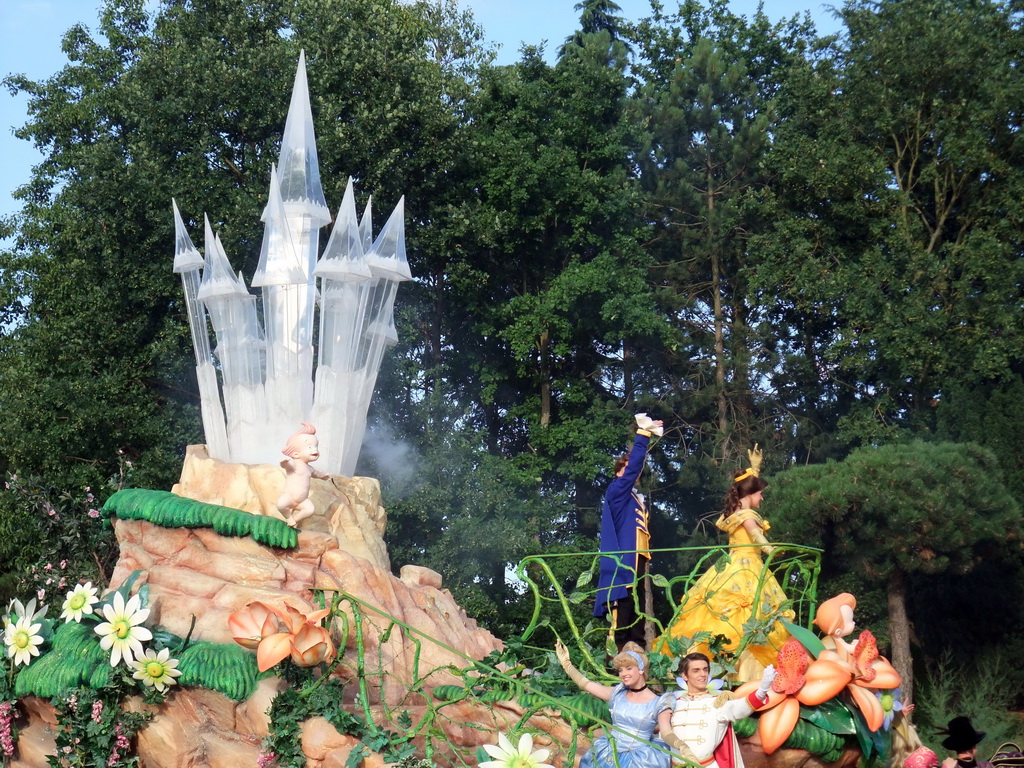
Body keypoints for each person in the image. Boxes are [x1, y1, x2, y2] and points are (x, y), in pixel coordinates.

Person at [659, 446, 793, 680]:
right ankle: (746, 675)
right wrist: (771, 549)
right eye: (760, 493)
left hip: (733, 567)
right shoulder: (748, 515)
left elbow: (748, 497)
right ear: (750, 494)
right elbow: (755, 535)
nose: (762, 497)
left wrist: (756, 469)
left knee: (738, 617)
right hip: (747, 569)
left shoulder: (736, 511)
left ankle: (725, 670)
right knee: (747, 617)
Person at [594, 414, 663, 649]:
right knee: (622, 611)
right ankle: (617, 662)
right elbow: (634, 466)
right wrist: (643, 435)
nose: (634, 474)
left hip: (639, 559)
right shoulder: (617, 491)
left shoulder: (634, 497)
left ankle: (638, 655)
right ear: (618, 473)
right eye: (627, 469)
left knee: (638, 610)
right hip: (623, 562)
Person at [556, 639, 671, 768]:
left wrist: (682, 747)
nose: (624, 674)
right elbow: (585, 684)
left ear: (641, 669)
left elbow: (667, 733)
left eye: (628, 668)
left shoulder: (659, 702)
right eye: (621, 670)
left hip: (640, 760)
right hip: (609, 752)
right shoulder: (617, 694)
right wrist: (567, 664)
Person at [657, 652, 775, 768]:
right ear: (684, 675)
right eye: (696, 670)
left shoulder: (717, 703)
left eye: (705, 669)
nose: (703, 674)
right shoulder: (675, 703)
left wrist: (762, 691)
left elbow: (741, 707)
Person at [276, 422, 329, 527]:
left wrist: (323, 476)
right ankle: (288, 517)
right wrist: (284, 463)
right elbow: (287, 467)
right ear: (296, 454)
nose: (315, 449)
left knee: (310, 509)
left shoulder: (309, 468)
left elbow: (316, 474)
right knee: (280, 505)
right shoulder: (294, 464)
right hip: (290, 497)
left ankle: (294, 519)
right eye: (309, 447)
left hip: (302, 500)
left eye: (316, 446)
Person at [812, 592, 859, 658]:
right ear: (838, 631)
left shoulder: (830, 640)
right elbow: (852, 650)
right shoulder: (837, 642)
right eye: (850, 620)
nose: (854, 622)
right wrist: (857, 645)